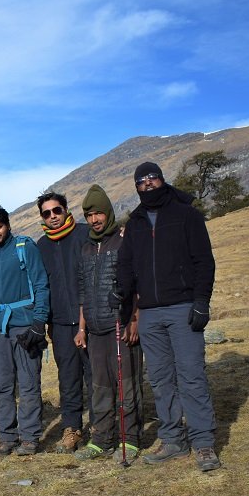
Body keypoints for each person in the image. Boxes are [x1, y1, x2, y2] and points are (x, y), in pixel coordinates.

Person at [114, 162, 221, 471]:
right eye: (141, 182)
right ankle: (172, 439)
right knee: (160, 379)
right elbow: (125, 265)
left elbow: (204, 261)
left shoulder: (186, 214)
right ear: (136, 187)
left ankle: (203, 443)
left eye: (152, 179)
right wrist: (121, 296)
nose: (148, 185)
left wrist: (201, 302)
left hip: (182, 308)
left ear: (162, 180)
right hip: (148, 313)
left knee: (191, 376)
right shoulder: (134, 223)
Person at [0, 203, 51, 457]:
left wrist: (39, 322)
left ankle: (29, 438)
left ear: (8, 224)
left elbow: (41, 284)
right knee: (3, 386)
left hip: (26, 326)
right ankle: (6, 437)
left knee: (28, 384)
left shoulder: (25, 247)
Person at [73, 185, 144, 463]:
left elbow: (137, 284)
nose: (94, 220)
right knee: (100, 388)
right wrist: (81, 327)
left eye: (98, 213)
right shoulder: (86, 248)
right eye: (89, 215)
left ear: (108, 213)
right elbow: (82, 291)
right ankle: (102, 439)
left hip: (121, 326)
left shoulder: (124, 241)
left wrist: (134, 320)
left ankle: (132, 439)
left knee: (127, 385)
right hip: (95, 330)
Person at [35, 191, 93, 453]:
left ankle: (105, 426)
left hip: (90, 319)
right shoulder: (41, 246)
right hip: (59, 324)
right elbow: (39, 287)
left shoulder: (85, 234)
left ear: (66, 210)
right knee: (68, 379)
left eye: (56, 210)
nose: (53, 217)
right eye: (46, 213)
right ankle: (72, 429)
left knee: (97, 377)